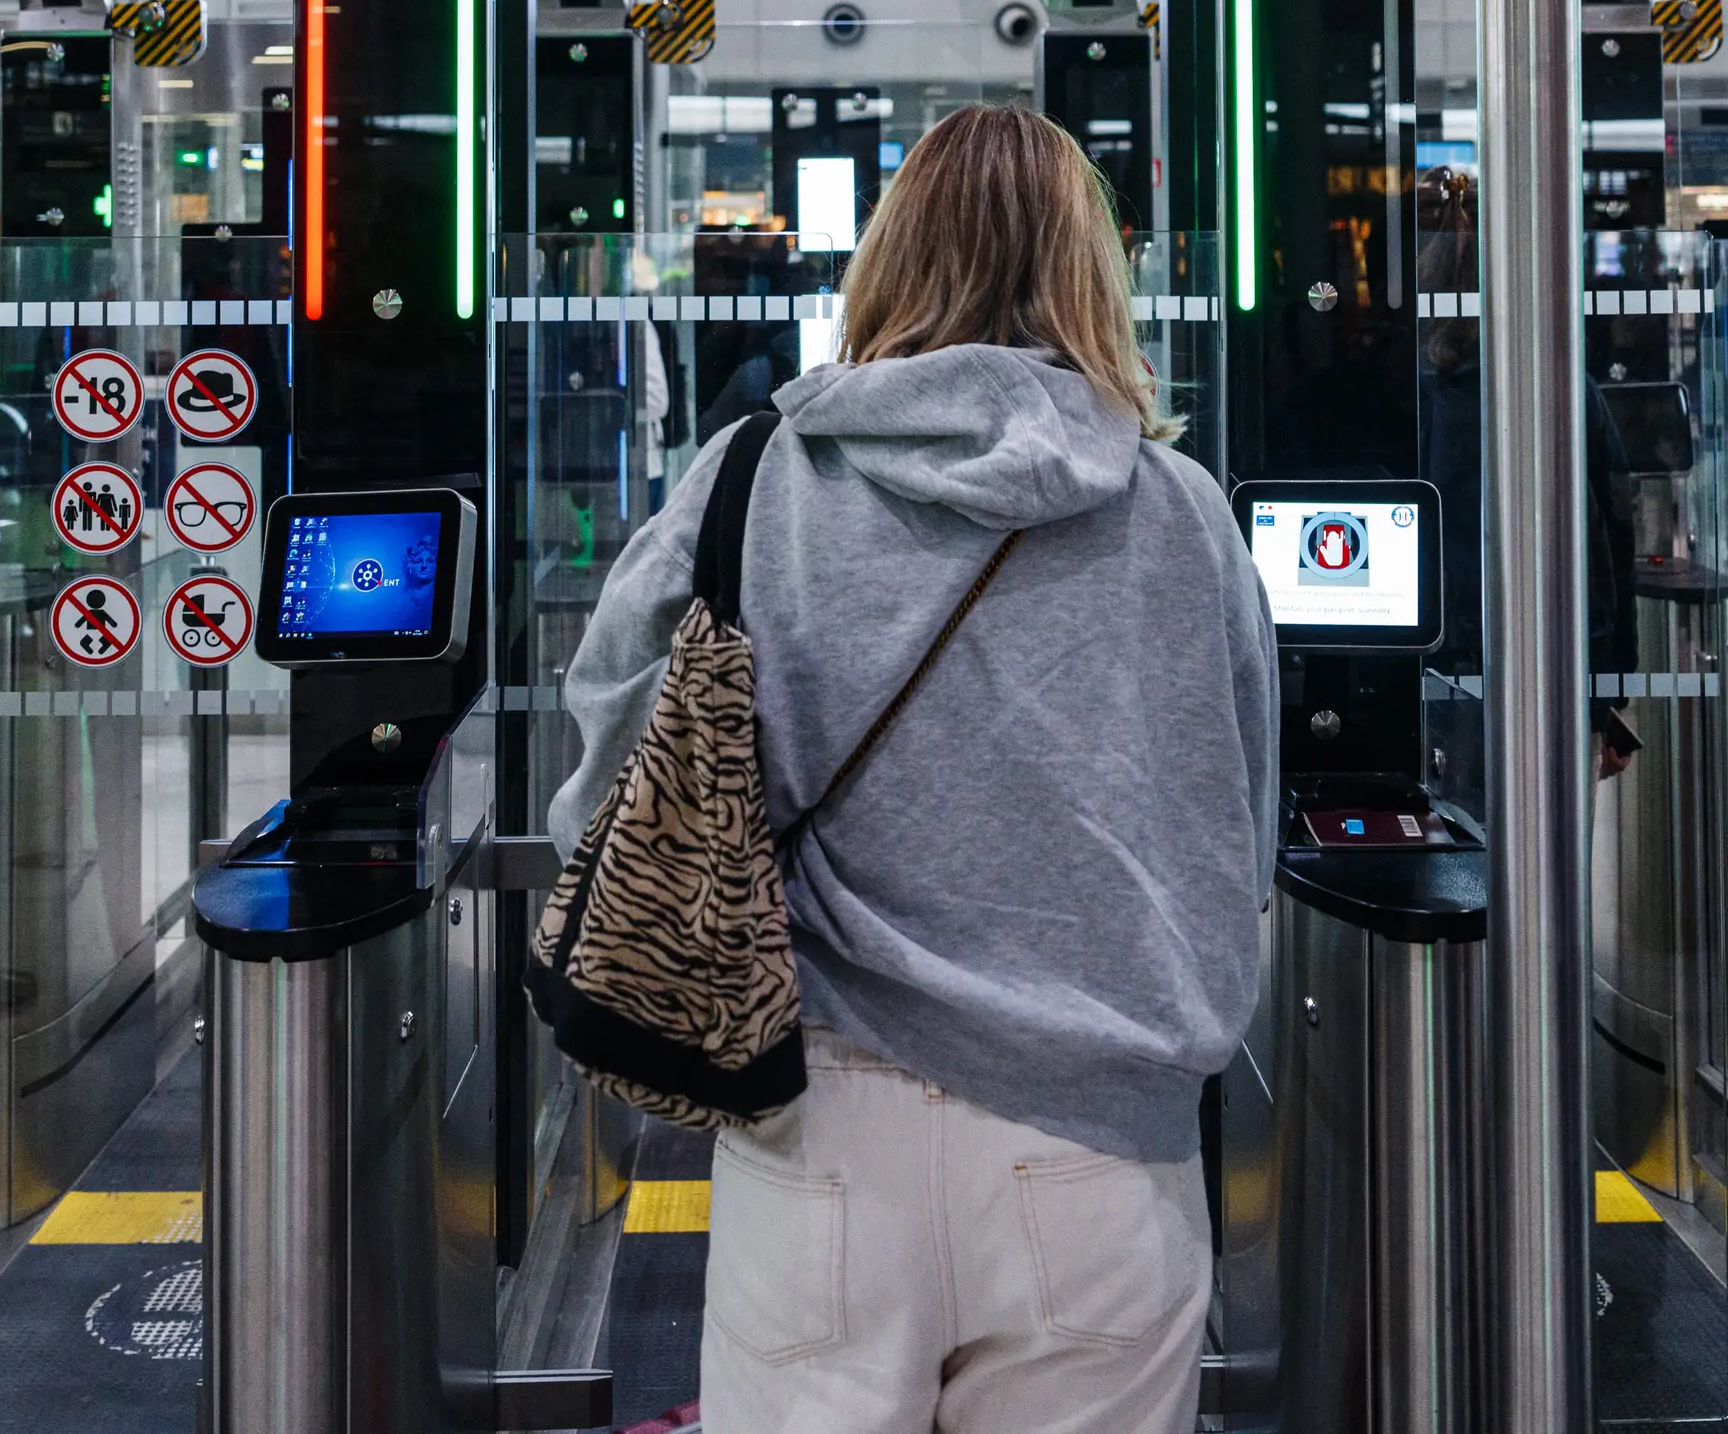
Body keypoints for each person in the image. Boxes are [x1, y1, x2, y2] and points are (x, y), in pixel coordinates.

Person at [547, 102, 1276, 1433]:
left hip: (821, 1120)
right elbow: (1234, 810)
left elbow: (606, 765)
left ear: (885, 258)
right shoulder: (1182, 514)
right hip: (1102, 1141)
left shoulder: (752, 479)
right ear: (1089, 272)